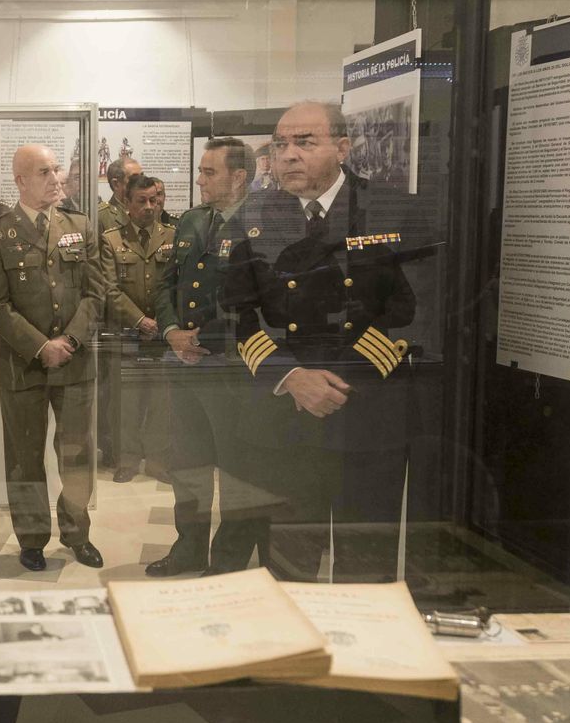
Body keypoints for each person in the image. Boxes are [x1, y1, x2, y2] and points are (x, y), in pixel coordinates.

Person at [223, 102, 417, 582]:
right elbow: (234, 315)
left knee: (365, 565)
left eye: (305, 143)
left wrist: (340, 378)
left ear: (343, 148)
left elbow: (418, 311)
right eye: (281, 145)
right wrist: (290, 376)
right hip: (285, 418)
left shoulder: (393, 209)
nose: (288, 155)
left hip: (367, 410)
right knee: (289, 564)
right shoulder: (252, 216)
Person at [0, 144, 105, 572]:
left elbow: (95, 292)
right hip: (23, 365)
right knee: (25, 456)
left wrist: (68, 341)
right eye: (44, 172)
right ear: (20, 181)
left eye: (56, 170)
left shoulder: (80, 225)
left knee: (77, 455)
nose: (56, 179)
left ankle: (77, 533)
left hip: (75, 362)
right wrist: (40, 346)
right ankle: (32, 537)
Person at [148, 137, 269, 576]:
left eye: (208, 172)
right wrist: (172, 332)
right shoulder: (192, 222)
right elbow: (165, 284)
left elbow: (261, 301)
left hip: (235, 368)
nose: (199, 180)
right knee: (188, 465)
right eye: (200, 171)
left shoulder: (266, 221)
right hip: (184, 364)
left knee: (238, 469)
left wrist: (205, 340)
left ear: (239, 177)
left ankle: (229, 560)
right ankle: (189, 547)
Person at [97, 173, 175, 483]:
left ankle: (157, 459)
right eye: (141, 201)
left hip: (163, 334)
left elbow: (177, 285)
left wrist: (165, 324)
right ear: (127, 203)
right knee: (125, 402)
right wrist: (138, 320)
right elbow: (107, 288)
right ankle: (126, 458)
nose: (149, 206)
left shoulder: (172, 235)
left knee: (161, 399)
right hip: (126, 333)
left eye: (154, 200)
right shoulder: (111, 240)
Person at [98, 157, 143, 235]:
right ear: (116, 184)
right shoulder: (101, 217)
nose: (142, 182)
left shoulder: (149, 211)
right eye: (135, 178)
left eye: (142, 176)